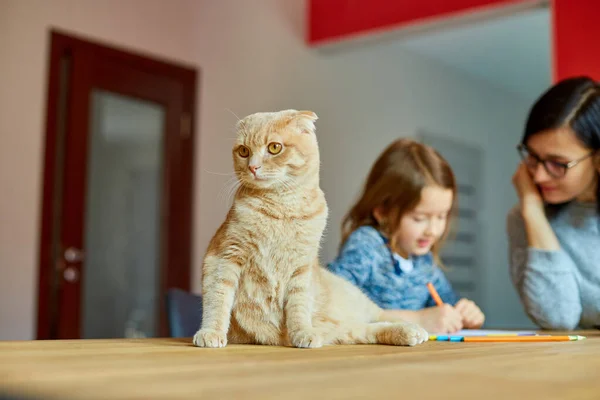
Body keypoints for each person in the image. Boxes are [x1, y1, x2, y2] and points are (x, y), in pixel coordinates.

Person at [328, 138, 485, 333]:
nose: (433, 230)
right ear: (383, 211)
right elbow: (328, 303)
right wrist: (417, 320)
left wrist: (464, 313)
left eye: (442, 216)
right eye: (420, 218)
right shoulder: (367, 246)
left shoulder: (424, 261)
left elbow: (447, 305)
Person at [508, 76, 600, 330]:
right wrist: (533, 211)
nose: (538, 175)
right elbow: (558, 318)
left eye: (558, 164)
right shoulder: (524, 218)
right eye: (533, 157)